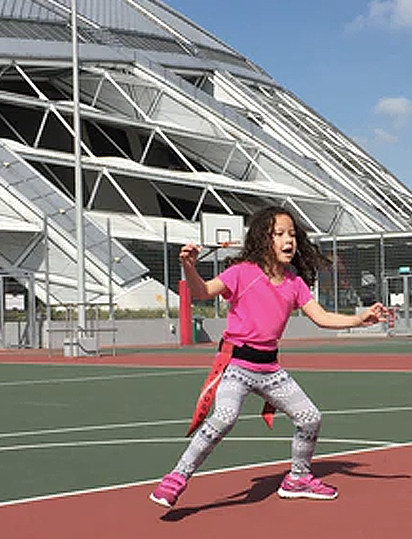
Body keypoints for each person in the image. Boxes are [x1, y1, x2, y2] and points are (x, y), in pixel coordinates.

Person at [149, 206, 387, 509]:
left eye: (292, 234)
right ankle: (176, 478)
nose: (288, 240)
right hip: (236, 366)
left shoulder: (294, 283)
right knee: (224, 418)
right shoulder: (242, 273)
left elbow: (322, 317)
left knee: (310, 418)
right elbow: (202, 291)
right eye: (279, 234)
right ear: (264, 239)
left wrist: (358, 320)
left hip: (270, 369)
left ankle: (298, 478)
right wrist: (189, 268)